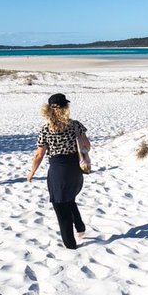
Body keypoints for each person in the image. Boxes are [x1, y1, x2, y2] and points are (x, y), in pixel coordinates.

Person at [26, 93, 91, 249]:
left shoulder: (46, 130)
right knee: (69, 198)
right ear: (66, 107)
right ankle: (80, 227)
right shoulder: (75, 125)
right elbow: (87, 146)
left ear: (48, 109)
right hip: (75, 168)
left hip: (58, 169)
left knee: (60, 206)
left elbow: (38, 155)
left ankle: (70, 245)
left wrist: (32, 172)